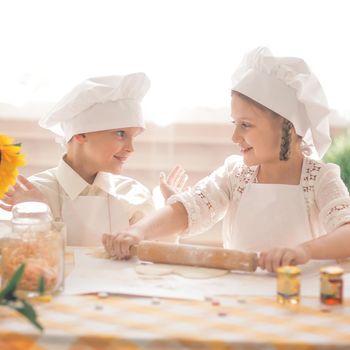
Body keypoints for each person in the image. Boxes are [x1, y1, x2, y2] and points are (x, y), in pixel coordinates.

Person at [102, 48, 350, 272]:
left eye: (246, 125)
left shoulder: (319, 179)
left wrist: (303, 251)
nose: (235, 136)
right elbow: (186, 210)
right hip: (240, 293)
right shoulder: (235, 174)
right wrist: (137, 232)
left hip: (297, 296)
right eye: (235, 124)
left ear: (287, 126)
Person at [0, 73, 186, 246]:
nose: (131, 148)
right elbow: (30, 266)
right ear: (81, 134)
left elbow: (151, 261)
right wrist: (38, 214)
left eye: (133, 137)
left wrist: (172, 213)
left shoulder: (133, 193)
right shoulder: (34, 192)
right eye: (121, 134)